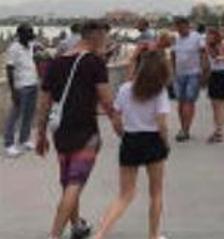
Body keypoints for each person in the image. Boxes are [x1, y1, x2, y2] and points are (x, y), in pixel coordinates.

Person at [35, 20, 116, 239]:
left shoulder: (56, 62)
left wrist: (40, 134)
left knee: (68, 180)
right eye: (105, 37)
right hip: (86, 132)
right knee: (75, 182)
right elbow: (107, 101)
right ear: (96, 35)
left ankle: (77, 226)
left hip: (61, 132)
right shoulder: (94, 63)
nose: (106, 42)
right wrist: (119, 125)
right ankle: (54, 235)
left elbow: (44, 102)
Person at [94, 50, 171, 239]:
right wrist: (165, 142)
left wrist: (123, 135)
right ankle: (153, 235)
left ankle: (100, 234)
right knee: (156, 192)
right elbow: (162, 123)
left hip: (131, 139)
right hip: (153, 140)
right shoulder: (159, 91)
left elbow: (116, 118)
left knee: (125, 194)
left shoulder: (125, 88)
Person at [5, 23, 40, 157]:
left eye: (32, 32)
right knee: (14, 115)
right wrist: (13, 91)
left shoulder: (30, 45)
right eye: (29, 33)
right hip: (21, 87)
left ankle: (24, 140)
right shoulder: (14, 49)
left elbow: (37, 52)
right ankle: (9, 144)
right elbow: (9, 69)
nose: (32, 35)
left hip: (32, 83)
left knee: (29, 114)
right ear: (20, 34)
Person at [170, 17, 206, 142]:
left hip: (194, 73)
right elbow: (173, 55)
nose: (179, 29)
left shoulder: (197, 37)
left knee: (189, 101)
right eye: (177, 27)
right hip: (179, 74)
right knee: (180, 102)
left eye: (181, 26)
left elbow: (203, 53)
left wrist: (203, 71)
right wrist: (172, 72)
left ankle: (185, 130)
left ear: (187, 25)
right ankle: (183, 127)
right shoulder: (175, 39)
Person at [205, 29, 224, 143]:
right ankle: (217, 129)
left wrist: (221, 58)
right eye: (208, 36)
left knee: (220, 104)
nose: (209, 38)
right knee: (214, 104)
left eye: (211, 36)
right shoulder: (208, 46)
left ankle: (219, 131)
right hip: (214, 74)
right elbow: (208, 62)